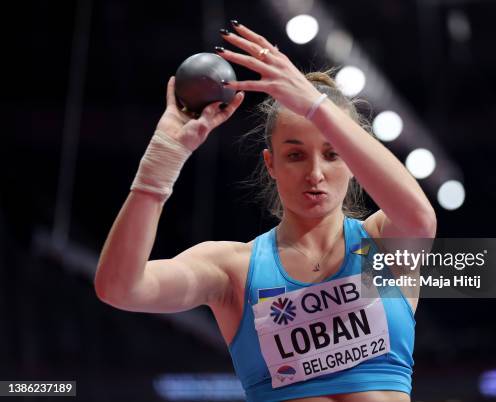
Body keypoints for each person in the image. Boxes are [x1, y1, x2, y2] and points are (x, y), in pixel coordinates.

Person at [95, 19, 436, 402]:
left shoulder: (383, 243)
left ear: (354, 160)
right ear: (271, 164)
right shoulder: (233, 269)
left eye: (332, 154)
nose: (315, 174)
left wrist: (315, 106)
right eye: (294, 155)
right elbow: (120, 288)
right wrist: (163, 159)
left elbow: (419, 217)